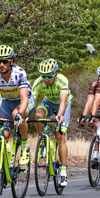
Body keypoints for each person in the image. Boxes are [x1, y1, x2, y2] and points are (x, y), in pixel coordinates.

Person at [0, 44, 35, 193]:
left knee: (16, 114)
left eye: (5, 61)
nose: (1, 64)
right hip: (7, 103)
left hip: (24, 101)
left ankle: (24, 146)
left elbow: (25, 98)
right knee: (1, 137)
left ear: (12, 60)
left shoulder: (19, 73)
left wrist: (20, 113)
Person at [32, 58, 71, 186]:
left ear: (55, 73)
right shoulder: (39, 82)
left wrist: (59, 115)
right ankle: (42, 139)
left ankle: (64, 171)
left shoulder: (62, 80)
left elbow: (64, 100)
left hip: (62, 104)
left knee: (60, 136)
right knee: (38, 115)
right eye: (43, 77)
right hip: (48, 102)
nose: (46, 79)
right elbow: (32, 99)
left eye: (49, 76)